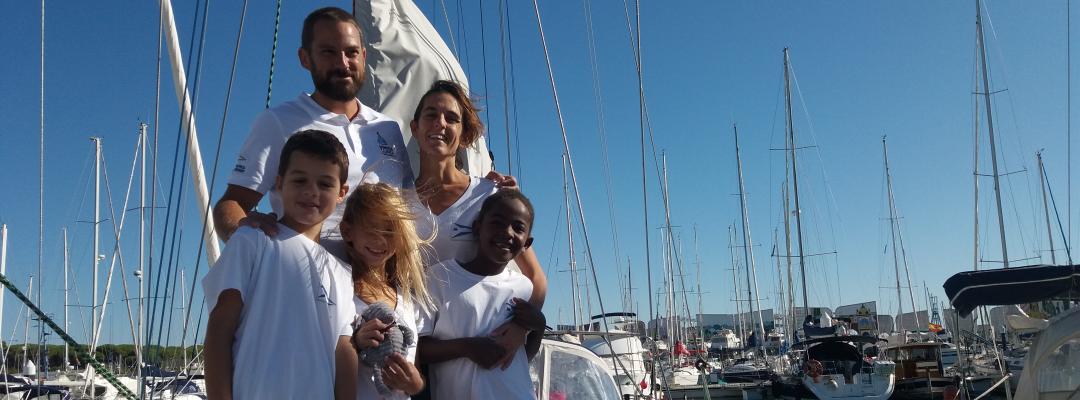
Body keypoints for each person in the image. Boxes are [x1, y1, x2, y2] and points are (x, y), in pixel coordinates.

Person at [213, 6, 412, 245]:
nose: (343, 63)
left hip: (379, 279)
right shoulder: (278, 122)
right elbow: (232, 203)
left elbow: (407, 209)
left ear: (364, 57)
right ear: (305, 58)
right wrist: (246, 238)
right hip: (303, 277)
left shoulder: (388, 128)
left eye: (351, 52)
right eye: (328, 52)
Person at [203, 130, 358, 400]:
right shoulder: (252, 240)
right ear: (278, 183)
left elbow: (343, 353)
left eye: (325, 184)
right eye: (299, 180)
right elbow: (219, 329)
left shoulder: (342, 273)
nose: (311, 191)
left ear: (342, 192)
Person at [408, 80, 547, 368]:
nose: (440, 124)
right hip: (421, 353)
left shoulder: (489, 195)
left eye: (452, 118)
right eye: (431, 115)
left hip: (479, 354)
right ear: (415, 127)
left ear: (462, 133)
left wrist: (521, 328)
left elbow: (535, 278)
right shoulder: (398, 201)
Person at [416, 190, 546, 400]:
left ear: (527, 244)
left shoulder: (524, 287)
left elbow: (524, 356)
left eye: (518, 227)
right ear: (477, 228)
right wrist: (466, 348)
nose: (507, 232)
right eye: (497, 222)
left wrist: (538, 325)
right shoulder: (439, 277)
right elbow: (419, 349)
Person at [340, 183, 430, 399]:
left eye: (390, 231)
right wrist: (356, 343)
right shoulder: (339, 289)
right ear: (347, 231)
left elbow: (415, 373)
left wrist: (416, 384)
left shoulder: (407, 297)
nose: (380, 240)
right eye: (371, 229)